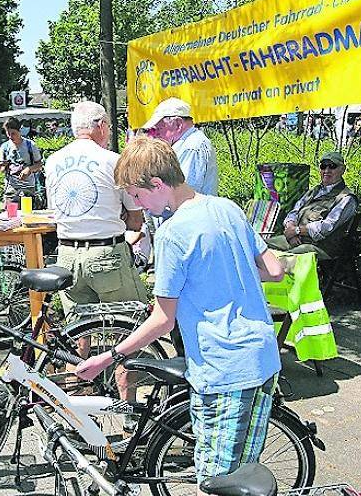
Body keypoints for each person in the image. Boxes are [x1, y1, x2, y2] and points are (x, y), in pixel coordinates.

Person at [76, 136, 285, 489]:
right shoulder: (228, 208)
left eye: (138, 196)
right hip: (264, 358)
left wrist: (108, 357)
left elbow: (162, 319)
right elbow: (274, 269)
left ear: (157, 184)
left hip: (223, 368)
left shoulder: (172, 233)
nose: (139, 205)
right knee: (245, 476)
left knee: (213, 481)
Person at [44, 101, 147, 401]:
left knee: (78, 333)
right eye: (109, 126)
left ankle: (78, 409)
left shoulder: (53, 162)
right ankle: (127, 408)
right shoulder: (114, 161)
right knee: (129, 331)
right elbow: (136, 216)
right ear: (100, 125)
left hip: (66, 256)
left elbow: (57, 210)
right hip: (107, 254)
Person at [266, 151, 357, 260]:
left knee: (286, 259)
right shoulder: (315, 191)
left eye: (332, 166)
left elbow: (326, 227)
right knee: (259, 247)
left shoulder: (346, 198)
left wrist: (297, 231)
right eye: (323, 166)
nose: (327, 171)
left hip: (320, 247)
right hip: (296, 239)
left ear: (342, 170)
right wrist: (291, 229)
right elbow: (294, 211)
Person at [142, 97, 219, 197]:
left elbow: (184, 193)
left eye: (160, 129)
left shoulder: (192, 147)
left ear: (178, 124)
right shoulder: (186, 144)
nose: (157, 135)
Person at [0, 117, 43, 206]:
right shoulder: (4, 147)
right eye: (8, 133)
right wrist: (2, 167)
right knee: (11, 217)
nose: (10, 136)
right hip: (11, 189)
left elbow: (39, 164)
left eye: (13, 133)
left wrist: (29, 169)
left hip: (28, 188)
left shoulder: (30, 145)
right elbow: (1, 169)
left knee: (29, 216)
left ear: (20, 131)